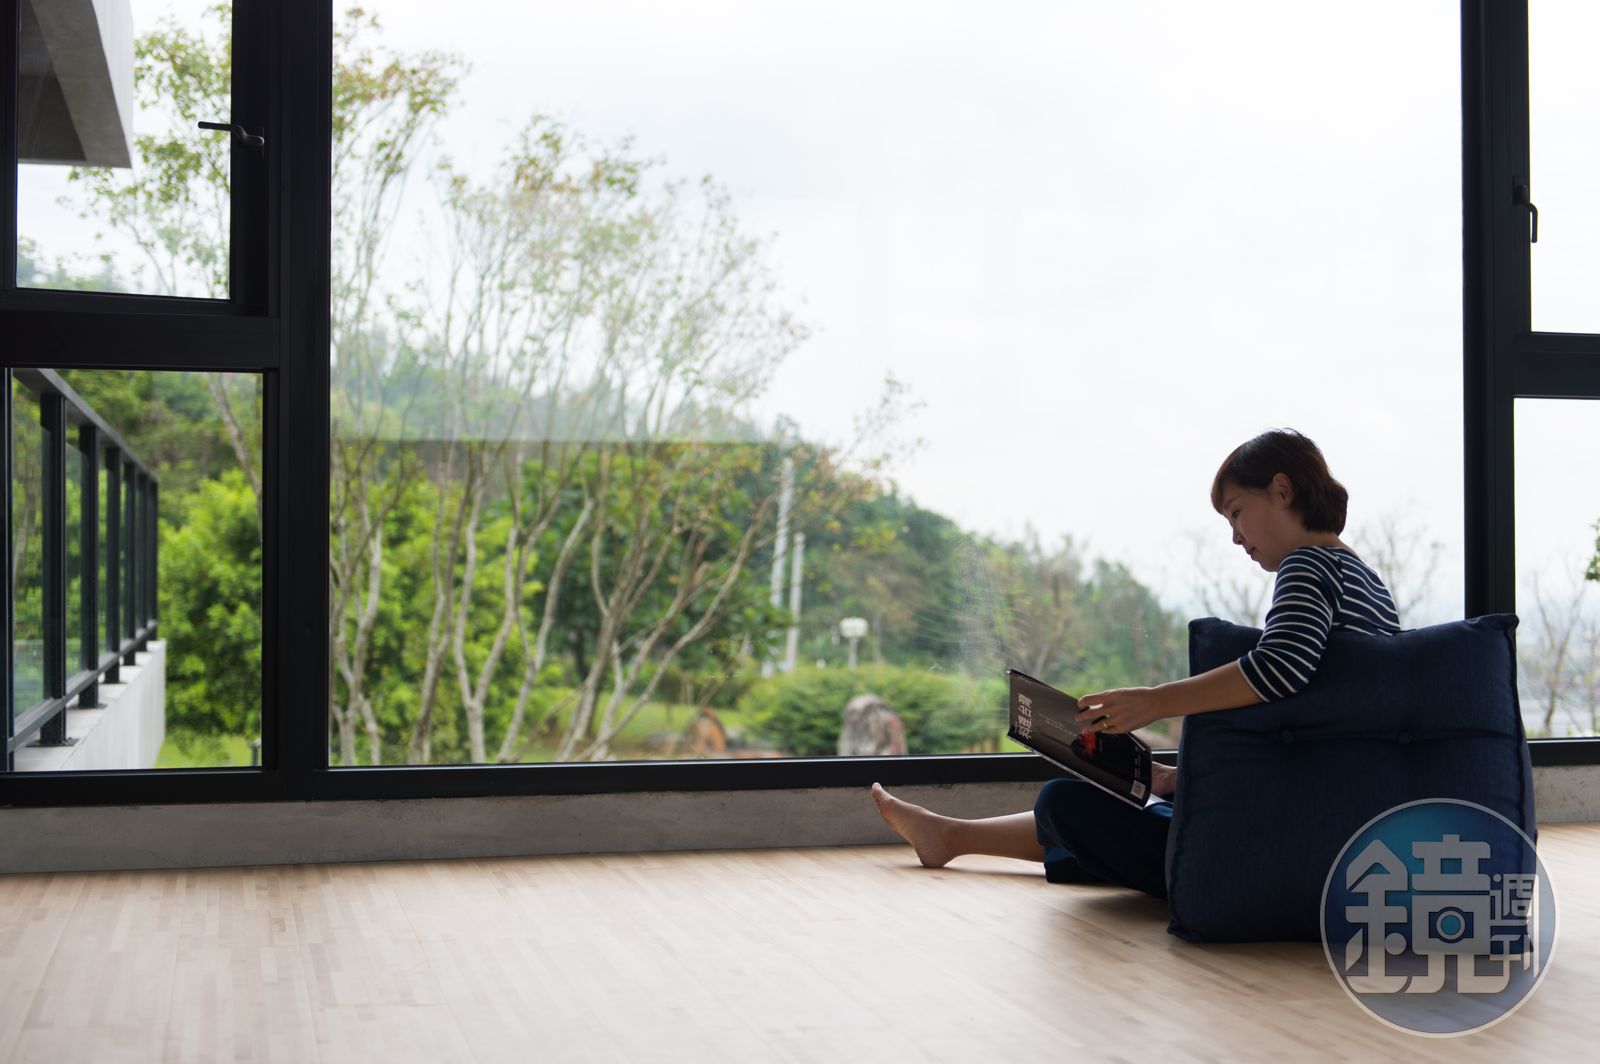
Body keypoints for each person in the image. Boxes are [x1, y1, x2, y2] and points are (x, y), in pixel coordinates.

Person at [870, 428, 1401, 897]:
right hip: (1326, 821)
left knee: (1064, 803)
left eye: (1237, 512)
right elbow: (1313, 714)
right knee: (1140, 806)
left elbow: (1280, 668)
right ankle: (951, 836)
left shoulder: (1307, 566)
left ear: (1282, 491)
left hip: (1277, 840)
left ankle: (952, 836)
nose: (1235, 536)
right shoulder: (1366, 581)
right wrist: (1182, 776)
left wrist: (1154, 702)